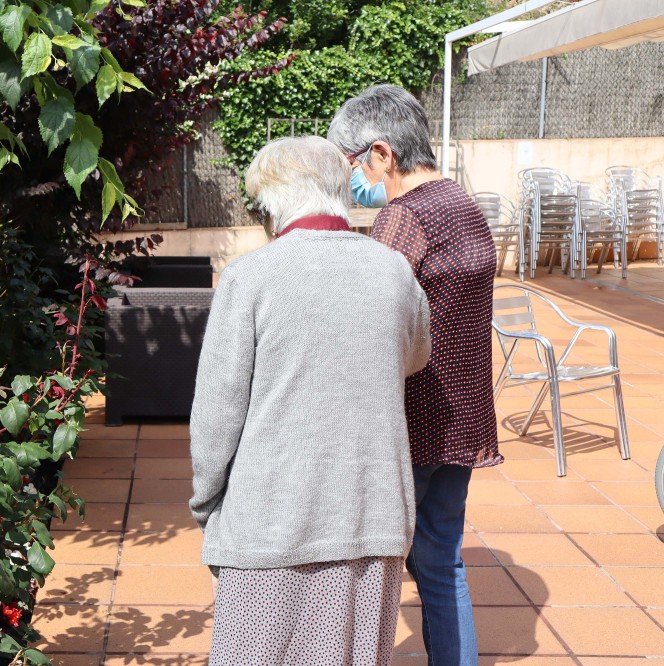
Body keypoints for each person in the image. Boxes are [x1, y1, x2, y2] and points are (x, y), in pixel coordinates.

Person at [189, 135, 432, 666]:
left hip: (270, 521)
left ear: (273, 202)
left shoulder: (249, 279)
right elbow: (415, 356)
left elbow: (216, 413)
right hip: (372, 515)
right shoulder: (395, 271)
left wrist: (207, 505)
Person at [328, 84, 503, 666]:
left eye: (354, 164)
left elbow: (370, 328)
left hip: (413, 425)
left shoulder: (403, 220)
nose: (354, 180)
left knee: (367, 565)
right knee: (441, 559)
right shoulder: (461, 202)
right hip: (464, 419)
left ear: (382, 154)